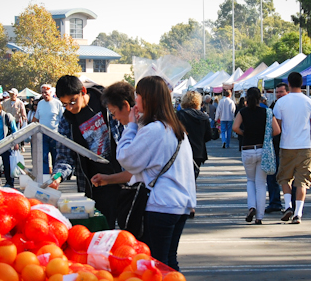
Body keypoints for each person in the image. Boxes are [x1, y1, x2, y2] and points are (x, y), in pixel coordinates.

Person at [116, 76, 195, 270]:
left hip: (161, 204)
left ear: (148, 98)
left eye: (138, 95)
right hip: (180, 203)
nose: (136, 100)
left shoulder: (154, 130)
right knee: (168, 260)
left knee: (157, 263)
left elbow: (126, 158)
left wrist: (131, 126)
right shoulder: (177, 129)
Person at [51, 75, 124, 229]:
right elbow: (65, 156)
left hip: (123, 175)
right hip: (96, 183)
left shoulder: (107, 101)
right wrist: (57, 177)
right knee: (103, 230)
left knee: (129, 229)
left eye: (72, 101)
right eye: (65, 104)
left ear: (83, 91)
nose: (70, 108)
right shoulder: (66, 121)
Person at [273, 72, 311, 224]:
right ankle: (298, 213)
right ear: (302, 83)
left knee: (284, 177)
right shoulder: (309, 102)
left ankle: (288, 205)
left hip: (286, 145)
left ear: (289, 84)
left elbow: (277, 127)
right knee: (302, 180)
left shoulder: (281, 102)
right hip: (305, 145)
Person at [233, 87, 281, 225]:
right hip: (262, 149)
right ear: (260, 97)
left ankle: (251, 206)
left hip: (247, 149)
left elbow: (235, 128)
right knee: (261, 183)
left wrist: (245, 134)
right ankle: (259, 216)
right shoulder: (267, 112)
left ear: (247, 98)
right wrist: (265, 136)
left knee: (250, 180)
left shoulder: (242, 112)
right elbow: (277, 130)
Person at [177, 91, 213, 180]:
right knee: (193, 178)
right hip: (198, 152)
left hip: (182, 151)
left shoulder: (179, 115)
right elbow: (208, 136)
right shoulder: (204, 117)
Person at [266, 83, 289, 213]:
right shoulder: (274, 106)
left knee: (288, 175)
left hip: (289, 144)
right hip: (275, 145)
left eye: (281, 92)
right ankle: (275, 202)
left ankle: (290, 203)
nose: (279, 94)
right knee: (272, 174)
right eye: (277, 92)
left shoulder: (290, 105)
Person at [34, 84, 65, 174]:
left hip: (55, 134)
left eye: (46, 93)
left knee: (56, 156)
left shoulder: (57, 103)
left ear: (51, 93)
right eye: (42, 93)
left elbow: (63, 119)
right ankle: (45, 176)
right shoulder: (40, 103)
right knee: (43, 156)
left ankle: (55, 176)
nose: (44, 95)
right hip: (42, 134)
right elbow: (36, 118)